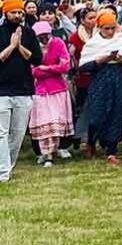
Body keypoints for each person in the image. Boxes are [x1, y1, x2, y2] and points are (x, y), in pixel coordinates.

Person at [78, 11, 122, 165]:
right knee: (97, 114)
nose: (110, 32)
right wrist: (102, 60)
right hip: (100, 80)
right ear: (100, 28)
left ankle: (111, 150)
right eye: (106, 29)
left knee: (117, 113)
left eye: (112, 28)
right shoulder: (93, 44)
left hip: (118, 80)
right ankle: (91, 141)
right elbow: (84, 66)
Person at [0, 0, 43, 183]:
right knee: (1, 133)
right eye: (13, 12)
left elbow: (37, 59)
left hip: (24, 90)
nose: (17, 16)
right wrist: (10, 46)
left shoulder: (29, 33)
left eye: (20, 12)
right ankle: (3, 173)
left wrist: (19, 45)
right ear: (5, 13)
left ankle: (6, 167)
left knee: (17, 134)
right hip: (2, 90)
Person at [28, 21, 73, 168]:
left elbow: (65, 65)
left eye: (46, 35)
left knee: (55, 122)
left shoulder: (58, 43)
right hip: (40, 91)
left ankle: (55, 150)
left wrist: (46, 68)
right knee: (44, 123)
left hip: (58, 90)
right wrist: (52, 69)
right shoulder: (32, 47)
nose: (44, 39)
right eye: (40, 37)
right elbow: (33, 70)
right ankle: (46, 154)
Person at [68, 7, 97, 154]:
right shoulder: (75, 37)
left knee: (95, 110)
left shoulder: (102, 35)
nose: (93, 21)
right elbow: (70, 57)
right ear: (82, 21)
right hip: (82, 79)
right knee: (82, 110)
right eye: (90, 18)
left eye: (95, 17)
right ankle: (78, 138)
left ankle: (91, 141)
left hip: (98, 77)